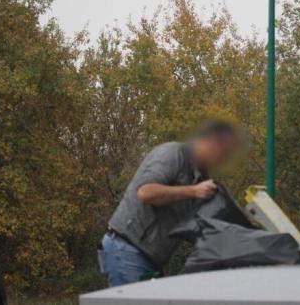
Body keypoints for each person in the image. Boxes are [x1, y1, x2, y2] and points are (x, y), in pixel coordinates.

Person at [98, 120, 238, 287]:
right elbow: (145, 193)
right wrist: (193, 191)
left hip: (151, 259)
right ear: (209, 141)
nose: (223, 159)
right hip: (128, 249)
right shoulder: (172, 153)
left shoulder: (200, 176)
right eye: (222, 152)